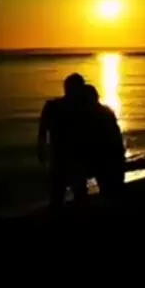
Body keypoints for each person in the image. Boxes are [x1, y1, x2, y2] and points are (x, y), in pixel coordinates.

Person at [37, 73, 92, 212]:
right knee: (71, 195)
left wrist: (41, 149)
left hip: (68, 158)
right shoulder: (82, 109)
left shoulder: (54, 106)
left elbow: (42, 131)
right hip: (67, 158)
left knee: (66, 196)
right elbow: (43, 131)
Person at [83, 84, 125, 199]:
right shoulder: (105, 111)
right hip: (112, 156)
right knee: (114, 189)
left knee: (109, 189)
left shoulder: (93, 115)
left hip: (106, 157)